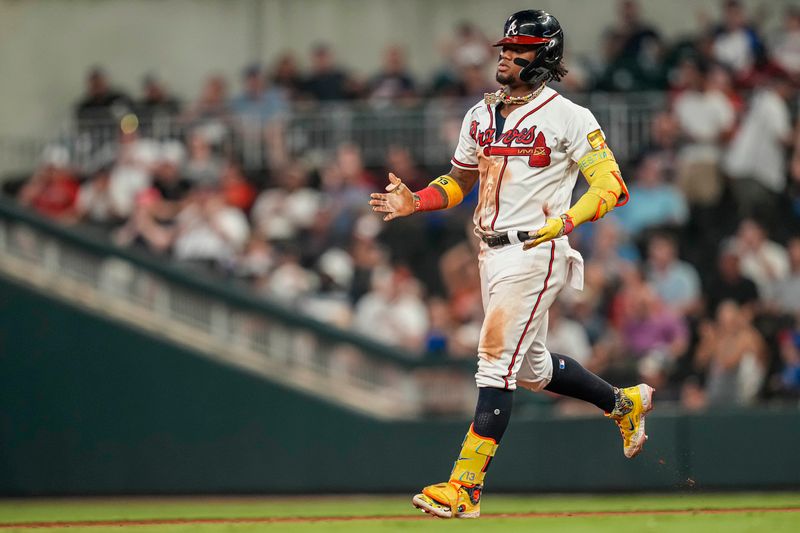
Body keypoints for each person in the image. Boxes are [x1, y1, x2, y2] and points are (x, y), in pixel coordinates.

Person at [369, 10, 654, 519]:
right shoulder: (480, 114)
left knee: (493, 361)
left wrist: (567, 222)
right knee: (531, 369)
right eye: (505, 46)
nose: (505, 54)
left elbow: (612, 186)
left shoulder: (570, 117)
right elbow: (457, 183)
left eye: (518, 48)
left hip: (536, 247)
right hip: (489, 250)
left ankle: (466, 487)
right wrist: (417, 202)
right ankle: (623, 403)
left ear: (542, 57)